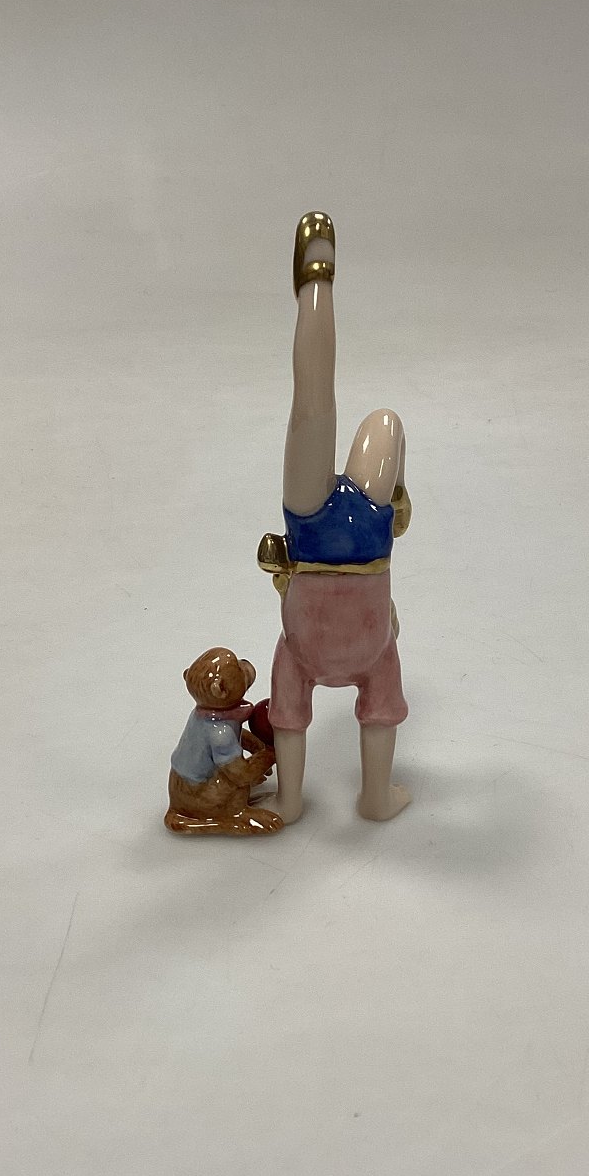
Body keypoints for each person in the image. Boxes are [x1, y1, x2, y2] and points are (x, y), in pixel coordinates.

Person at [261, 212, 412, 823]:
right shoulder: (372, 510)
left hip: (309, 609)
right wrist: (398, 505)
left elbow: (284, 714)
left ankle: (290, 799)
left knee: (312, 403)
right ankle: (376, 797)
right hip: (370, 614)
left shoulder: (317, 514)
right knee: (381, 419)